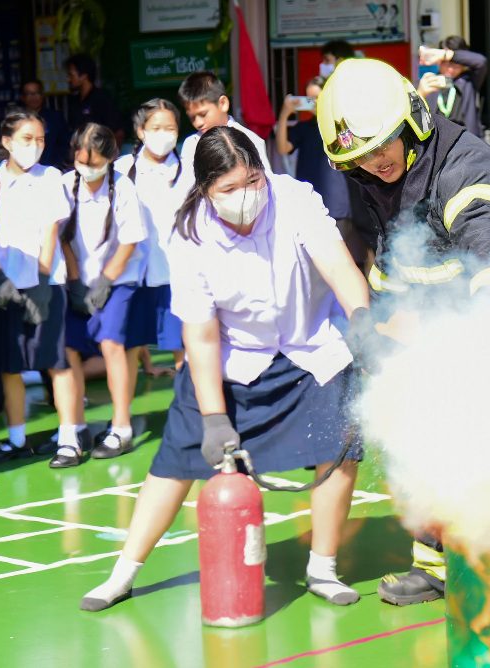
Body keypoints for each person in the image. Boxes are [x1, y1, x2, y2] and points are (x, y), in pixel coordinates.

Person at [79, 125, 373, 612]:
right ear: (205, 190)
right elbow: (201, 332)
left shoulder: (295, 198)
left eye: (253, 181)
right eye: (228, 189)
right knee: (175, 462)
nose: (245, 197)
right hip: (233, 357)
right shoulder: (189, 231)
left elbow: (341, 269)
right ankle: (124, 572)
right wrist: (214, 418)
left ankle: (323, 567)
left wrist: (362, 321)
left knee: (341, 446)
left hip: (310, 347)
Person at [317, 57, 490, 605]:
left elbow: (489, 256)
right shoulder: (374, 170)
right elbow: (396, 257)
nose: (375, 164)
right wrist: (374, 328)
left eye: (381, 148)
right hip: (434, 308)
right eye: (359, 157)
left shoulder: (467, 170)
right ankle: (435, 564)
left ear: (412, 123)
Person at [0, 110, 80, 464]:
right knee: (9, 364)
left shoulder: (50, 177)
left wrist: (44, 283)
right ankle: (16, 438)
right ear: (6, 142)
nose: (35, 146)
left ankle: (69, 439)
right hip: (5, 286)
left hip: (46, 284)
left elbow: (51, 232)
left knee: (56, 361)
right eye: (26, 139)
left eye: (41, 139)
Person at [56, 123, 147, 467]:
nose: (88, 169)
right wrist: (77, 281)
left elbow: (129, 240)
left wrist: (105, 282)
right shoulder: (66, 185)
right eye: (82, 161)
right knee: (69, 349)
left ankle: (121, 426)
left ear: (110, 158)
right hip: (78, 277)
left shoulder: (123, 188)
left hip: (119, 278)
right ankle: (74, 427)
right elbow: (62, 237)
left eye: (95, 163)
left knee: (112, 344)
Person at [115, 99, 186, 373]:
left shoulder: (189, 170)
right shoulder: (121, 170)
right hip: (135, 272)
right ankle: (123, 414)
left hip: (177, 273)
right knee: (130, 344)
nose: (164, 134)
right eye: (156, 127)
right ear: (140, 131)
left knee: (183, 344)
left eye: (170, 128)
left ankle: (189, 407)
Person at [276, 77, 365, 264]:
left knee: (345, 259)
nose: (313, 104)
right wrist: (285, 114)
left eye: (317, 98)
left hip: (338, 203)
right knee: (318, 260)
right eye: (308, 99)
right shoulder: (304, 128)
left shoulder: (341, 125)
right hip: (310, 200)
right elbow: (283, 147)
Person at [177, 70, 272, 191]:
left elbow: (267, 184)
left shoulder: (249, 139)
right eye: (192, 117)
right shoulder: (191, 144)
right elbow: (186, 187)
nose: (198, 123)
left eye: (203, 114)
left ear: (223, 103)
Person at [417, 36, 488, 138]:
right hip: (439, 142)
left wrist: (445, 55)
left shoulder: (469, 80)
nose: (450, 69)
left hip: (467, 141)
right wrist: (420, 94)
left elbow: (481, 62)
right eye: (446, 63)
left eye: (456, 65)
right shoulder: (429, 81)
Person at [65, 54, 122, 143]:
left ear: (83, 76)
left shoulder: (102, 99)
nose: (68, 79)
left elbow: (118, 132)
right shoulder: (74, 101)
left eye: (71, 75)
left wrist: (109, 155)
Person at [20, 79, 71, 168]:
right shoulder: (18, 121)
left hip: (53, 169)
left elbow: (65, 144)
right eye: (29, 94)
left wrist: (58, 165)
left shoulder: (55, 117)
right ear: (22, 97)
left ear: (42, 95)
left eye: (37, 93)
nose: (33, 97)